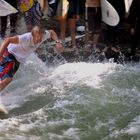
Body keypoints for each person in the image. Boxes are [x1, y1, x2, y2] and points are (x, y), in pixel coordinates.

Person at [0, 25, 63, 92]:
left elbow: (52, 32)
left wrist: (57, 42)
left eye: (41, 37)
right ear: (32, 35)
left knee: (4, 79)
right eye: (38, 37)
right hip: (10, 54)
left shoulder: (43, 35)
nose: (40, 39)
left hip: (17, 60)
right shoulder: (26, 38)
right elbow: (8, 40)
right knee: (7, 79)